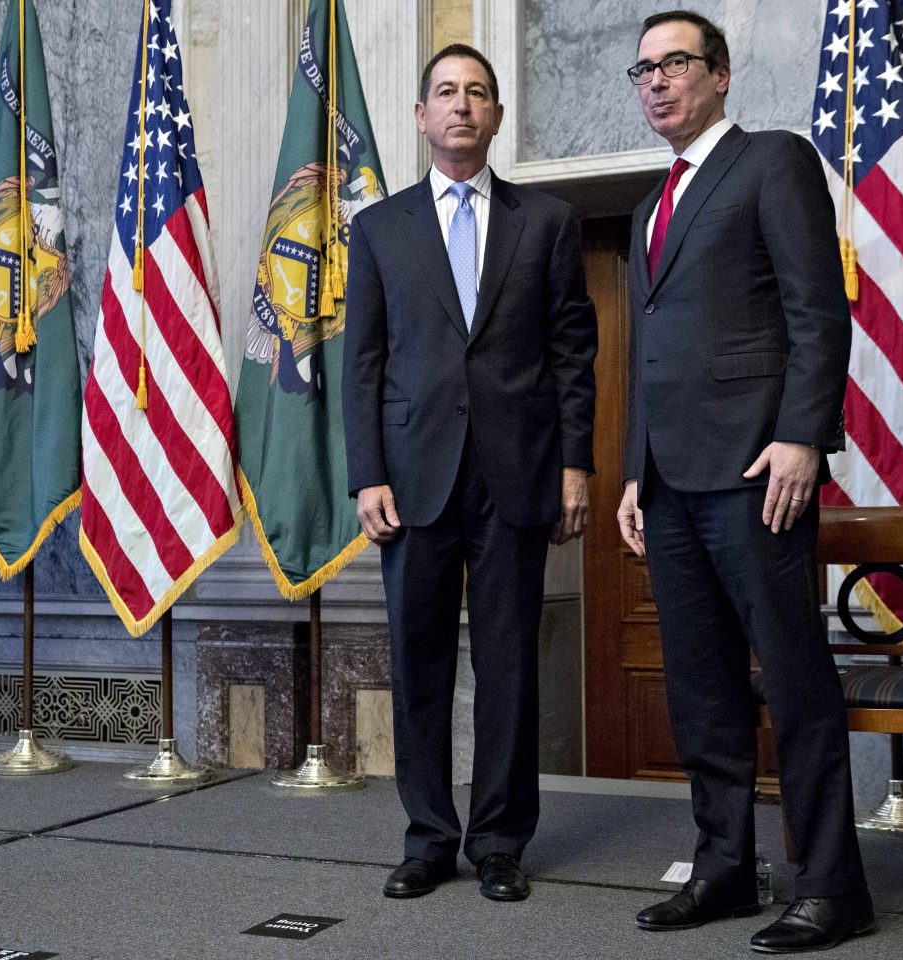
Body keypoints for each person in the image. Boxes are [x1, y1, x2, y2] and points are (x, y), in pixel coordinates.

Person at [616, 11, 873, 953]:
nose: (655, 81)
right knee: (703, 688)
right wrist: (635, 472)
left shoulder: (775, 162)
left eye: (675, 63)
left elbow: (818, 310)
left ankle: (834, 888)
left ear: (720, 74)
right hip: (672, 483)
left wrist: (805, 436)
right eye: (642, 69)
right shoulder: (650, 206)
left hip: (760, 472)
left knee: (795, 681)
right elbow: (650, 353)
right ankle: (725, 869)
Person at [343, 43, 597, 903]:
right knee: (417, 664)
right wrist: (365, 473)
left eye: (476, 93)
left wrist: (575, 465)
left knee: (508, 665)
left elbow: (573, 356)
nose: (460, 105)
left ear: (495, 115)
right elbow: (364, 364)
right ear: (421, 117)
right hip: (411, 482)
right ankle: (427, 839)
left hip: (516, 476)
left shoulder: (549, 222)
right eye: (444, 93)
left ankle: (498, 841)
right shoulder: (378, 228)